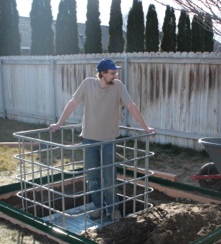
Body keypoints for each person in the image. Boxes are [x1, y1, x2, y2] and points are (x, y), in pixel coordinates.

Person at [48, 58, 155, 221]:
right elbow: (73, 103)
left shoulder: (118, 86)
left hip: (108, 139)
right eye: (112, 72)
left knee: (109, 176)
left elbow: (131, 105)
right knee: (92, 177)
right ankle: (98, 207)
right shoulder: (87, 84)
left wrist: (145, 128)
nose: (115, 75)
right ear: (102, 73)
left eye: (115, 72)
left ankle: (113, 209)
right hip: (89, 138)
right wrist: (59, 123)